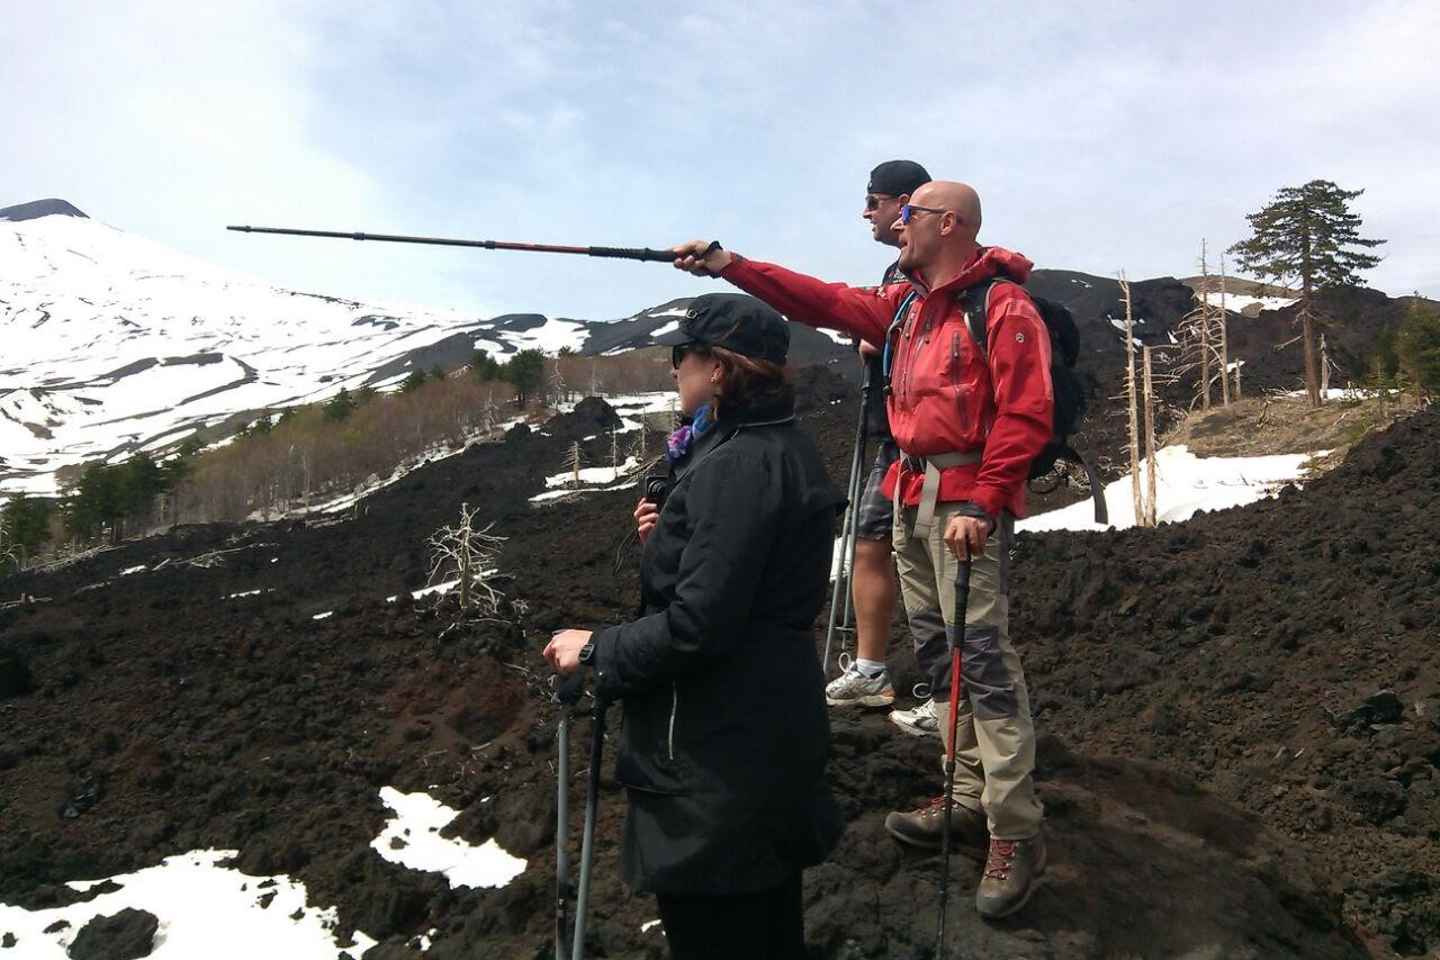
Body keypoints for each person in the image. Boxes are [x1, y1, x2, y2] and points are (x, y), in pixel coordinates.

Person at [669, 180, 1049, 919]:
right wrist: (728, 264)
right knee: (942, 657)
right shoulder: (903, 302)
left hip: (963, 504)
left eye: (907, 215)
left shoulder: (1003, 306)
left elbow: (1027, 413)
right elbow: (818, 299)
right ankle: (967, 795)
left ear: (949, 224)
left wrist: (983, 500)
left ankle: (1015, 829)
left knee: (987, 663)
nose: (896, 225)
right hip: (912, 498)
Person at [545, 293, 845, 959]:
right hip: (766, 737)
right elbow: (745, 583)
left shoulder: (736, 466)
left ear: (719, 369)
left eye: (682, 356)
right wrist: (668, 541)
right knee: (768, 930)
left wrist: (596, 647)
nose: (674, 368)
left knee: (720, 934)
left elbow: (699, 625)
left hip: (718, 763)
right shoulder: (774, 445)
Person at [824, 160, 949, 743]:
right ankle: (884, 673)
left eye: (873, 200)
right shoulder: (909, 271)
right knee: (875, 542)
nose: (866, 212)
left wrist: (872, 339)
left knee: (917, 557)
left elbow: (882, 342)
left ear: (905, 203)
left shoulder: (917, 273)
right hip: (898, 438)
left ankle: (948, 697)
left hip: (915, 444)